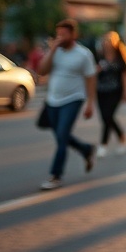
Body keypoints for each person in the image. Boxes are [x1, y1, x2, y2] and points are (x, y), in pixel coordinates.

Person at [36, 19, 98, 190]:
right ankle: (86, 149)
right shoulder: (54, 52)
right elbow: (41, 70)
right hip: (52, 100)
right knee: (61, 136)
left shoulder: (84, 54)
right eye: (58, 34)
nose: (60, 37)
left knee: (62, 135)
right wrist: (52, 50)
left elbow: (91, 79)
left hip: (73, 99)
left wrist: (90, 103)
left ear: (73, 35)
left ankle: (55, 175)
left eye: (64, 34)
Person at [95, 32, 126, 157]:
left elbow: (125, 75)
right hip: (100, 91)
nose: (107, 43)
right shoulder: (99, 56)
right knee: (105, 117)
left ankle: (103, 144)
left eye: (110, 40)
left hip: (115, 91)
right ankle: (122, 136)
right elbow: (91, 72)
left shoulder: (120, 56)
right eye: (105, 40)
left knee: (108, 116)